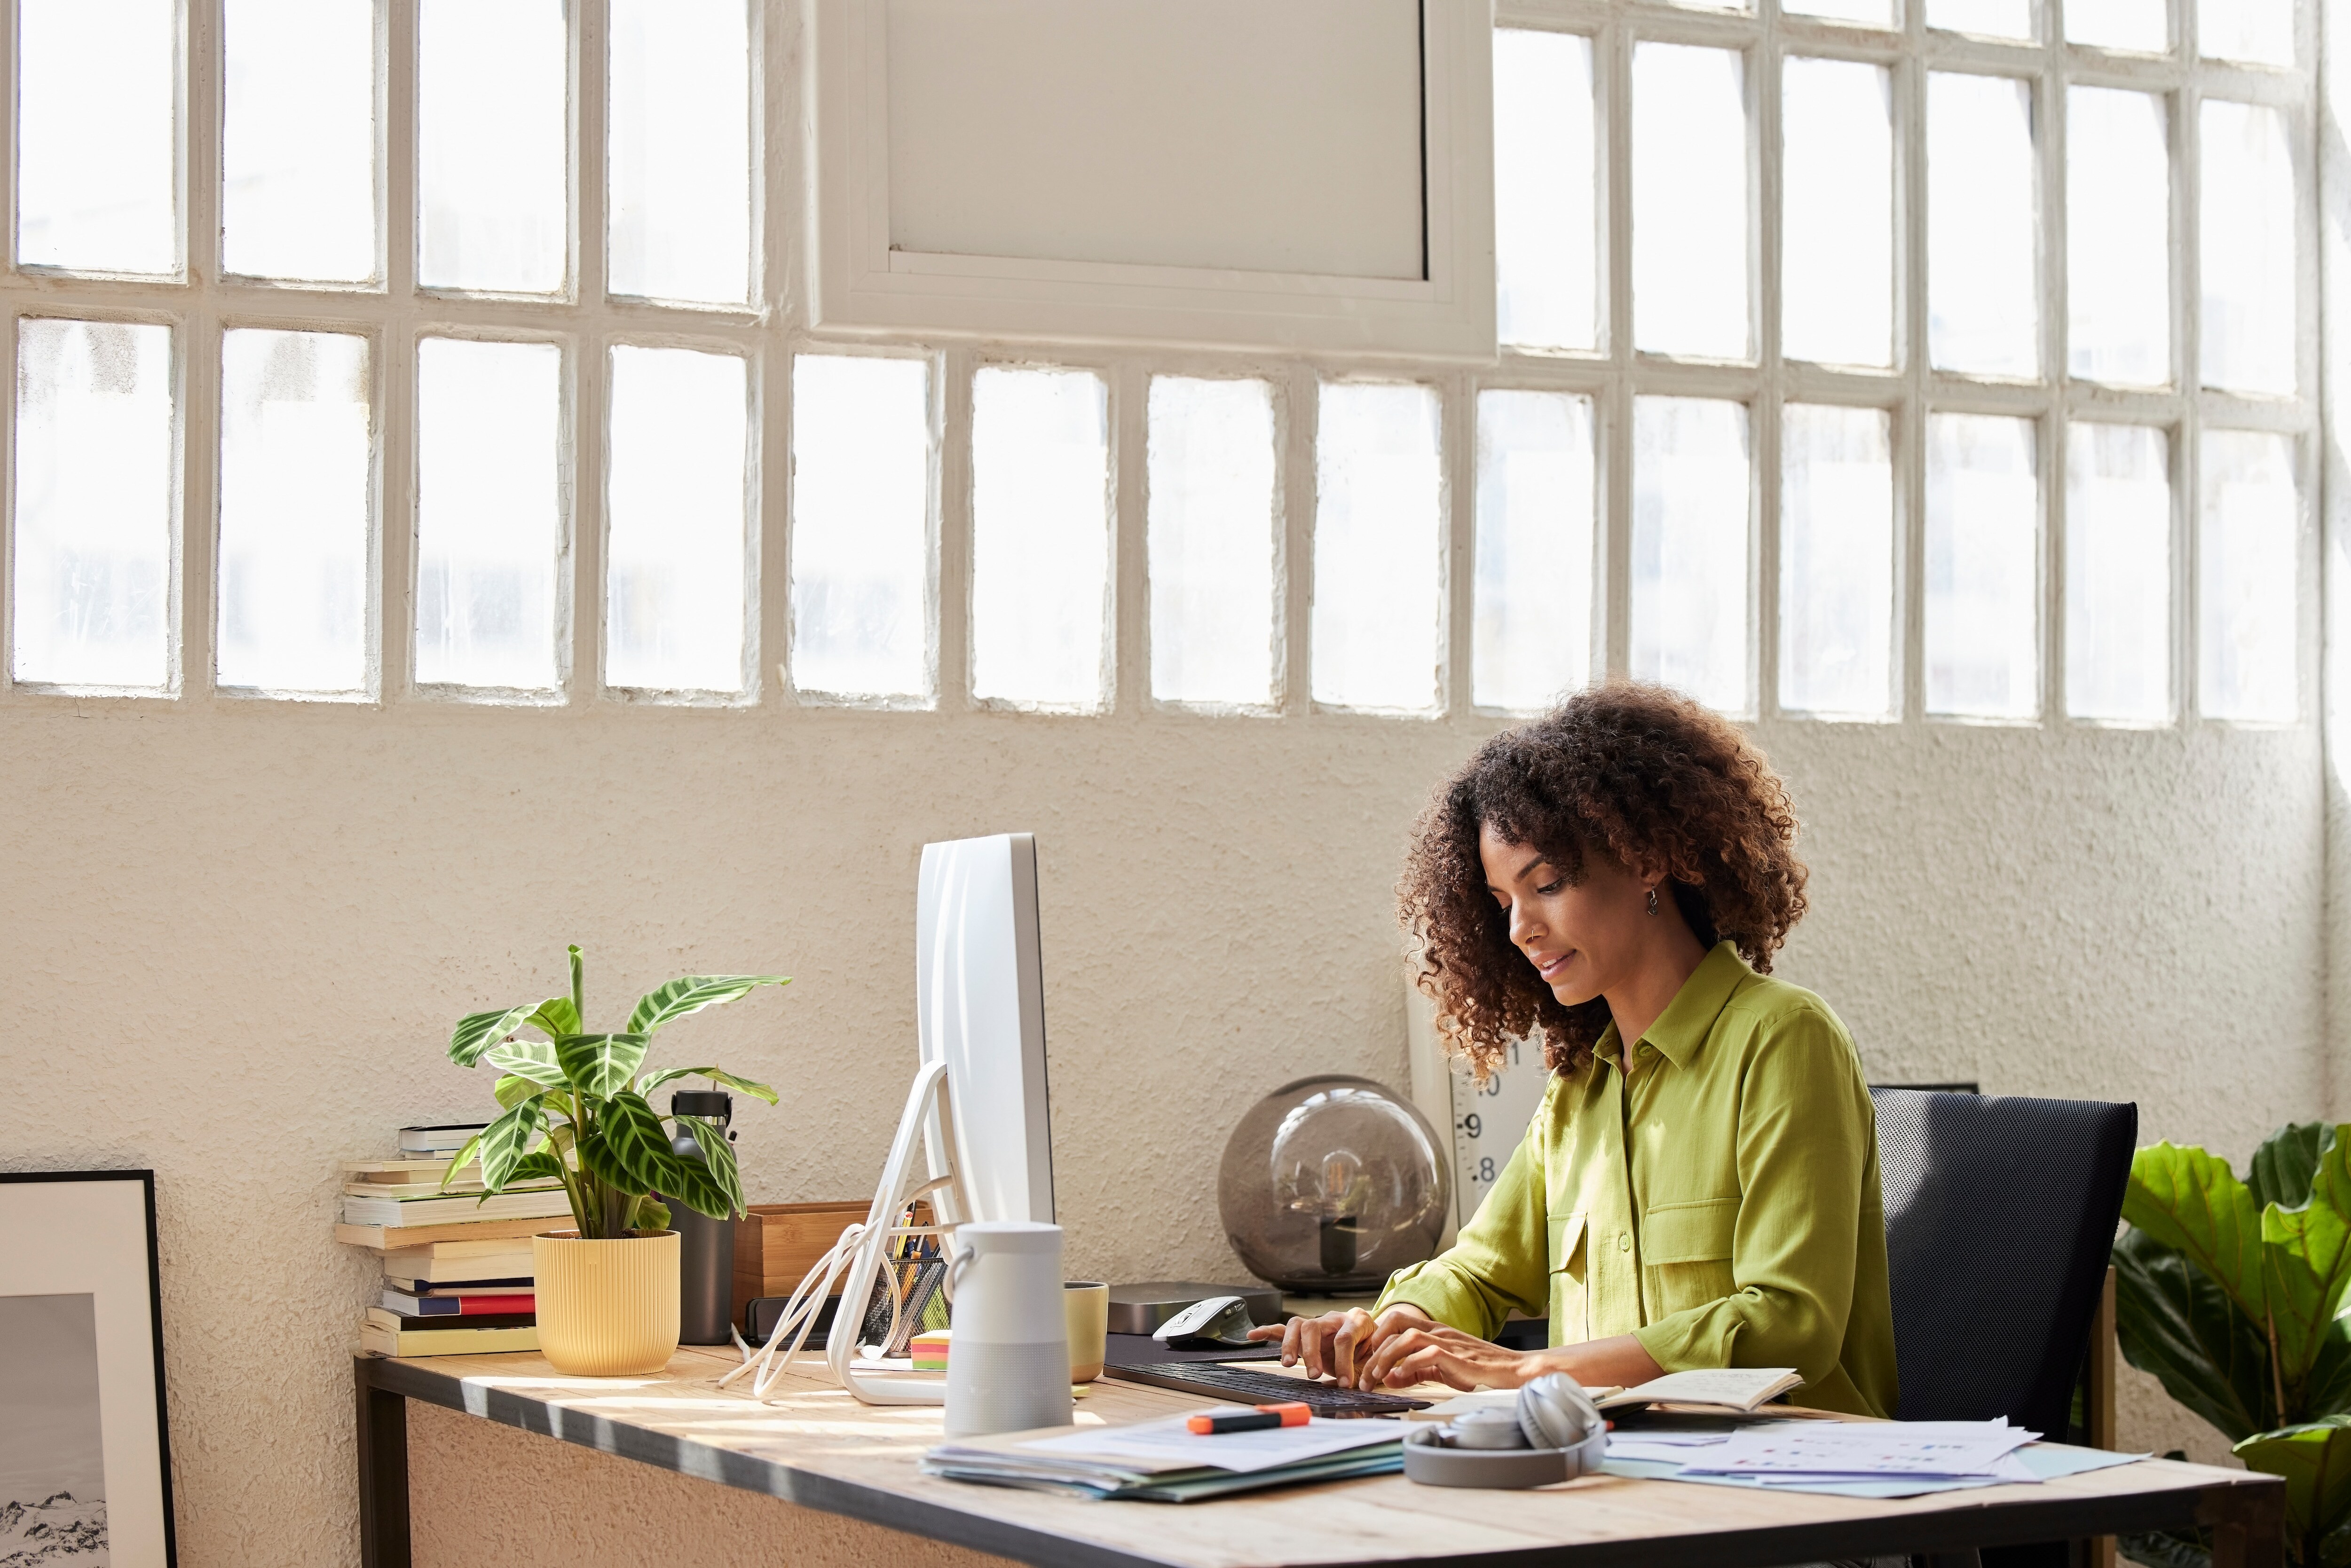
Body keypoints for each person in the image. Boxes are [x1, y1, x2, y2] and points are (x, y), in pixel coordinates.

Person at [1252, 682, 1896, 1418]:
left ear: (1649, 857)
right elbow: (1483, 1272)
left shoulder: (1783, 1040)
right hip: (1624, 1476)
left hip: (1799, 1488)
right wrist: (1390, 1327)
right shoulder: (1581, 1089)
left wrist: (1529, 1373)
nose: (1521, 929)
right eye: (1502, 906)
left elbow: (1790, 1324)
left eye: (1547, 884)